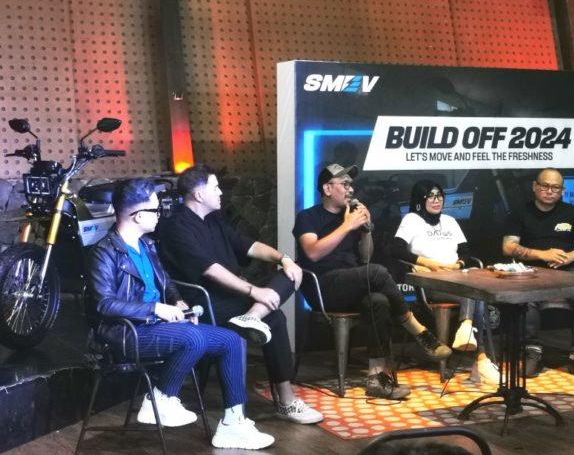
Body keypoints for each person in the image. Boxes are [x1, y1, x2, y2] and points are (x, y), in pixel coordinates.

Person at [87, 178, 274, 450]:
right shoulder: (104, 252)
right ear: (138, 216)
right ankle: (160, 398)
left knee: (232, 340)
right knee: (192, 338)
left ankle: (234, 423)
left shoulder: (147, 245)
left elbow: (166, 283)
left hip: (153, 327)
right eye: (155, 210)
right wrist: (156, 308)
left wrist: (178, 302)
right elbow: (104, 305)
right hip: (124, 332)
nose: (160, 215)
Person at [157, 164, 323, 425]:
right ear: (199, 195)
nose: (221, 192)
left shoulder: (214, 221)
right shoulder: (176, 226)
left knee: (290, 274)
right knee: (275, 318)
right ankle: (286, 401)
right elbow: (210, 270)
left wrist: (284, 259)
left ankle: (253, 316)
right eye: (215, 188)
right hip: (205, 302)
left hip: (233, 298)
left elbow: (249, 246)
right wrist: (254, 290)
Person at [293, 163, 452, 400]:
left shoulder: (352, 216)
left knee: (379, 301)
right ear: (327, 189)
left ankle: (376, 379)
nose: (350, 189)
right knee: (377, 272)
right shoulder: (308, 217)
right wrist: (348, 226)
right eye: (344, 184)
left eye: (351, 184)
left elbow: (365, 256)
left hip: (352, 284)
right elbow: (313, 252)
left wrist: (366, 230)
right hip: (323, 287)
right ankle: (417, 329)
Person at [391, 179, 499, 384]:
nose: (436, 200)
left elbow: (465, 251)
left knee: (475, 290)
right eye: (430, 196)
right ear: (420, 200)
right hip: (431, 284)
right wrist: (427, 263)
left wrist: (458, 265)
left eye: (439, 196)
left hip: (456, 277)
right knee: (474, 293)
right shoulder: (412, 220)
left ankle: (468, 331)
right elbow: (395, 249)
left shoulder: (449, 220)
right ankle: (480, 359)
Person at [501, 168, 574, 379]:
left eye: (555, 187)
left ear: (562, 190)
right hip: (532, 272)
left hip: (567, 272)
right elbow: (508, 247)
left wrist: (570, 256)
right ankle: (532, 351)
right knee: (526, 298)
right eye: (545, 186)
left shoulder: (571, 212)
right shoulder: (521, 212)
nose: (549, 191)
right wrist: (542, 254)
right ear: (534, 186)